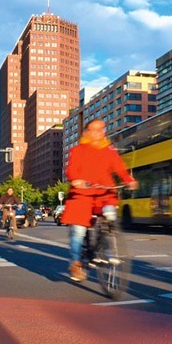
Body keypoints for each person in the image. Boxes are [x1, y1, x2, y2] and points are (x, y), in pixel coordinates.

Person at [61, 119, 138, 282]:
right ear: (87, 133)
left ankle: (109, 247)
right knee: (79, 231)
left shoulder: (109, 150)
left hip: (104, 192)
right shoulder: (78, 150)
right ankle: (75, 263)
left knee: (110, 214)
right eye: (94, 130)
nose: (99, 132)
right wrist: (76, 179)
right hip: (82, 194)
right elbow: (71, 169)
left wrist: (128, 179)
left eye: (101, 129)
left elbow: (119, 167)